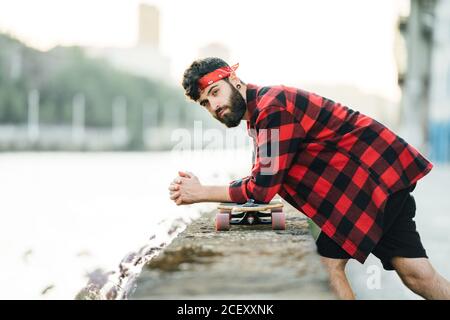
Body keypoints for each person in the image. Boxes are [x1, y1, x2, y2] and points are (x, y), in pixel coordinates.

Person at [168, 57, 450, 299]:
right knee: (417, 274)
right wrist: (235, 216)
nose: (214, 106)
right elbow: (269, 179)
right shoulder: (261, 116)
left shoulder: (272, 108)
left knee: (327, 269)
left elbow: (262, 187)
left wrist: (200, 192)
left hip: (369, 184)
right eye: (205, 103)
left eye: (215, 92)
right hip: (376, 184)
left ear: (233, 78)